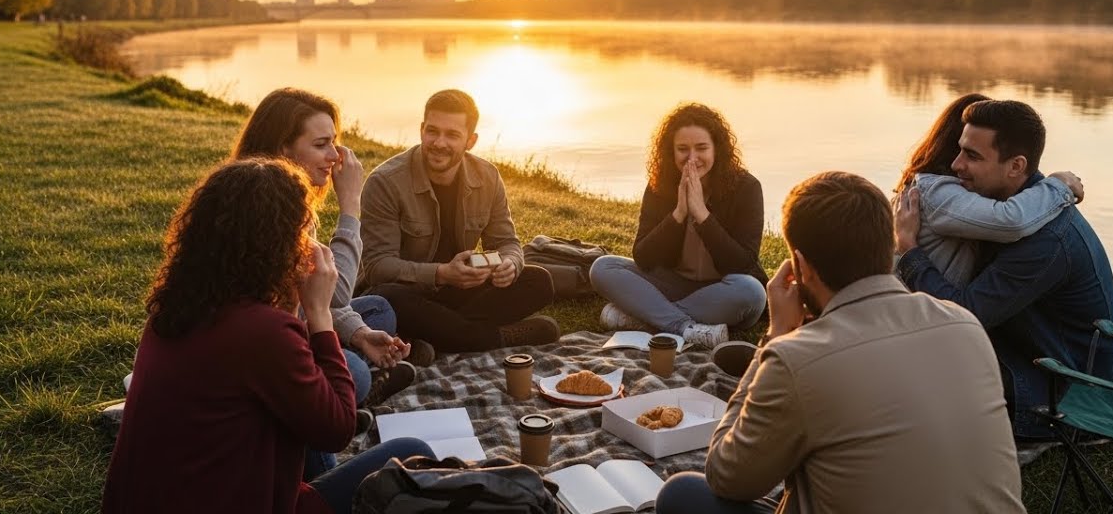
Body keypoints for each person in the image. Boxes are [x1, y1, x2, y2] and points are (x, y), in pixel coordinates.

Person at [655, 171, 1025, 514]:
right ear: (888, 245)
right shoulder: (965, 325)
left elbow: (726, 475)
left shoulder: (795, 359)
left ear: (801, 266)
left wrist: (777, 336)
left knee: (682, 494)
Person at [101, 159, 433, 514]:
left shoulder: (175, 309)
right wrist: (319, 313)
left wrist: (295, 301)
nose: (308, 244)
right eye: (303, 233)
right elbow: (337, 429)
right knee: (414, 453)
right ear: (277, 245)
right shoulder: (264, 332)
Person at [895, 98, 1113, 440]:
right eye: (959, 150)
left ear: (1016, 166)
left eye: (972, 156)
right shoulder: (1016, 205)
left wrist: (910, 251)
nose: (956, 165)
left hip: (1069, 393)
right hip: (1032, 357)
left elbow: (962, 314)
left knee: (912, 370)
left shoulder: (1044, 241)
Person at [231, 87, 427, 478]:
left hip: (294, 323)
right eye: (321, 144)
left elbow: (319, 300)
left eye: (334, 142)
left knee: (378, 311)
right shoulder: (268, 214)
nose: (335, 156)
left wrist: (358, 333)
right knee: (354, 371)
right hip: (274, 348)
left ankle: (357, 385)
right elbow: (333, 295)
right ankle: (354, 395)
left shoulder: (287, 199)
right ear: (283, 149)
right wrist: (351, 206)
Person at [359, 89, 559, 352]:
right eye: (432, 131)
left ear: (470, 141)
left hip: (456, 292)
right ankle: (492, 338)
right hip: (404, 293)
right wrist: (441, 274)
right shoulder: (385, 182)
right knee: (386, 298)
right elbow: (377, 267)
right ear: (421, 130)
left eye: (452, 135)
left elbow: (507, 242)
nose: (439, 143)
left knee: (538, 280)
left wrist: (510, 263)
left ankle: (431, 337)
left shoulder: (487, 176)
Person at [589, 103, 766, 350]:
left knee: (752, 291)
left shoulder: (747, 188)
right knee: (603, 267)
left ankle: (643, 319)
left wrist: (702, 214)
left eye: (701, 148)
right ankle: (685, 328)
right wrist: (679, 213)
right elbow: (643, 257)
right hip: (674, 285)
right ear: (671, 151)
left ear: (717, 149)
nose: (692, 158)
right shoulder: (659, 186)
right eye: (683, 149)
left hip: (722, 290)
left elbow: (742, 262)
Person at [894, 92, 1084, 286]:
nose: (957, 164)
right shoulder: (937, 193)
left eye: (972, 154)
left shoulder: (947, 189)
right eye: (966, 150)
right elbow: (1011, 219)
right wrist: (1058, 185)